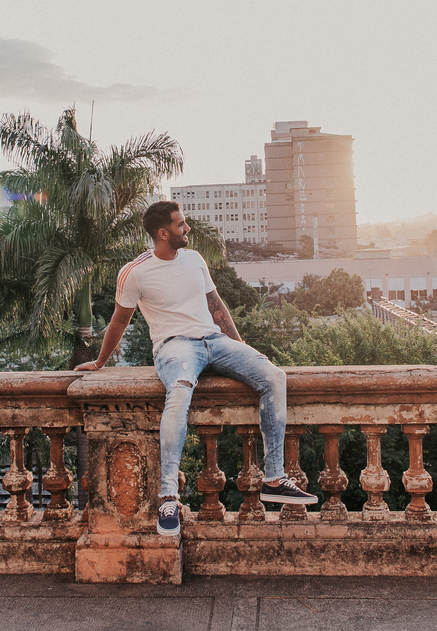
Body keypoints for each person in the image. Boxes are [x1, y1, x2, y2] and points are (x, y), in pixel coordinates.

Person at [76, 200, 316, 535]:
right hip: (175, 346)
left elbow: (216, 306)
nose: (186, 228)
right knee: (180, 391)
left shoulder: (193, 259)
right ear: (163, 233)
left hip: (214, 341)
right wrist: (101, 361)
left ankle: (274, 477)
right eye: (180, 224)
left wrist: (241, 349)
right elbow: (120, 320)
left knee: (274, 377)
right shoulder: (135, 272)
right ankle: (169, 496)